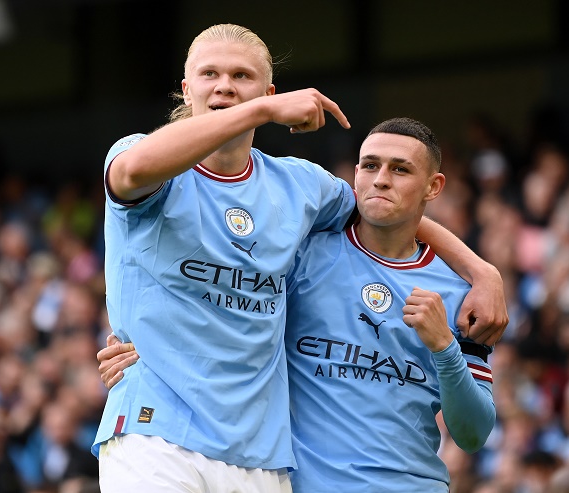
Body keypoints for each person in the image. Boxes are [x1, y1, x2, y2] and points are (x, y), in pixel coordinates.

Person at [94, 23, 507, 492]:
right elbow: (131, 172)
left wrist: (481, 271)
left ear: (267, 87)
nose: (225, 85)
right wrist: (265, 110)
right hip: (157, 429)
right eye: (210, 73)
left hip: (261, 456)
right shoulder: (139, 155)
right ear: (187, 89)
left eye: (242, 77)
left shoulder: (301, 187)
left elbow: (381, 210)